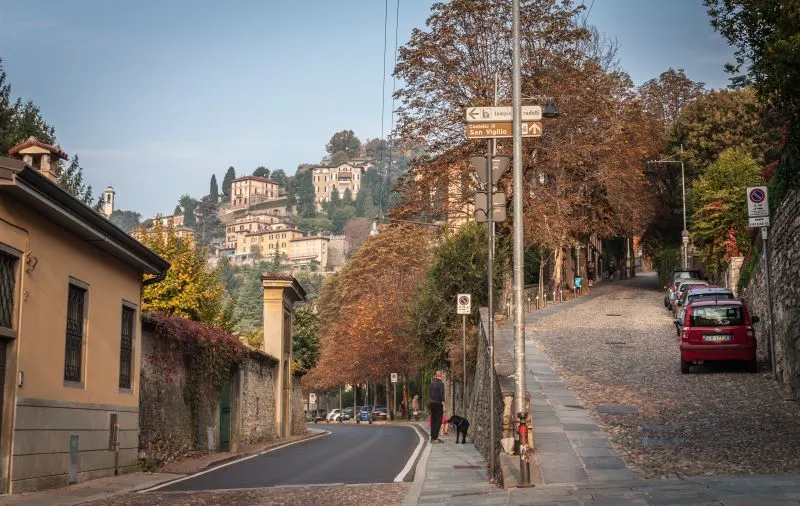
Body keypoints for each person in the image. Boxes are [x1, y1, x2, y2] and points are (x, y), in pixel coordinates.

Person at [429, 370, 445, 443]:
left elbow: (430, 393)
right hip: (438, 403)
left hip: (432, 403)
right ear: (441, 375)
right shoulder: (441, 384)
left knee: (434, 420)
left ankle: (433, 437)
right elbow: (442, 394)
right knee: (438, 421)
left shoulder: (432, 383)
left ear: (436, 375)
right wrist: (444, 405)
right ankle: (435, 438)